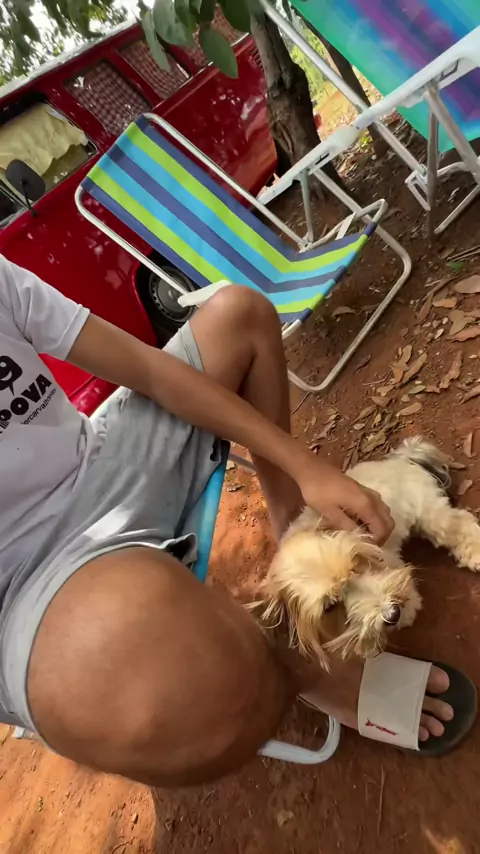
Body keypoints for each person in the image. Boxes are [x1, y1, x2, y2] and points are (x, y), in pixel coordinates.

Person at [0, 254, 468, 786]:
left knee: (240, 315)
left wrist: (302, 465)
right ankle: (302, 666)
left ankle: (292, 537)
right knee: (182, 693)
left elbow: (148, 369)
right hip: (22, 582)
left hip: (100, 467)